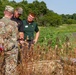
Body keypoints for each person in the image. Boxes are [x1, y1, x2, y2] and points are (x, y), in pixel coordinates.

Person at [0, 5, 18, 75]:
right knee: (10, 71)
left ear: (4, 12)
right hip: (11, 51)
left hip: (1, 50)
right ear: (12, 15)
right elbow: (15, 37)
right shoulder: (14, 24)